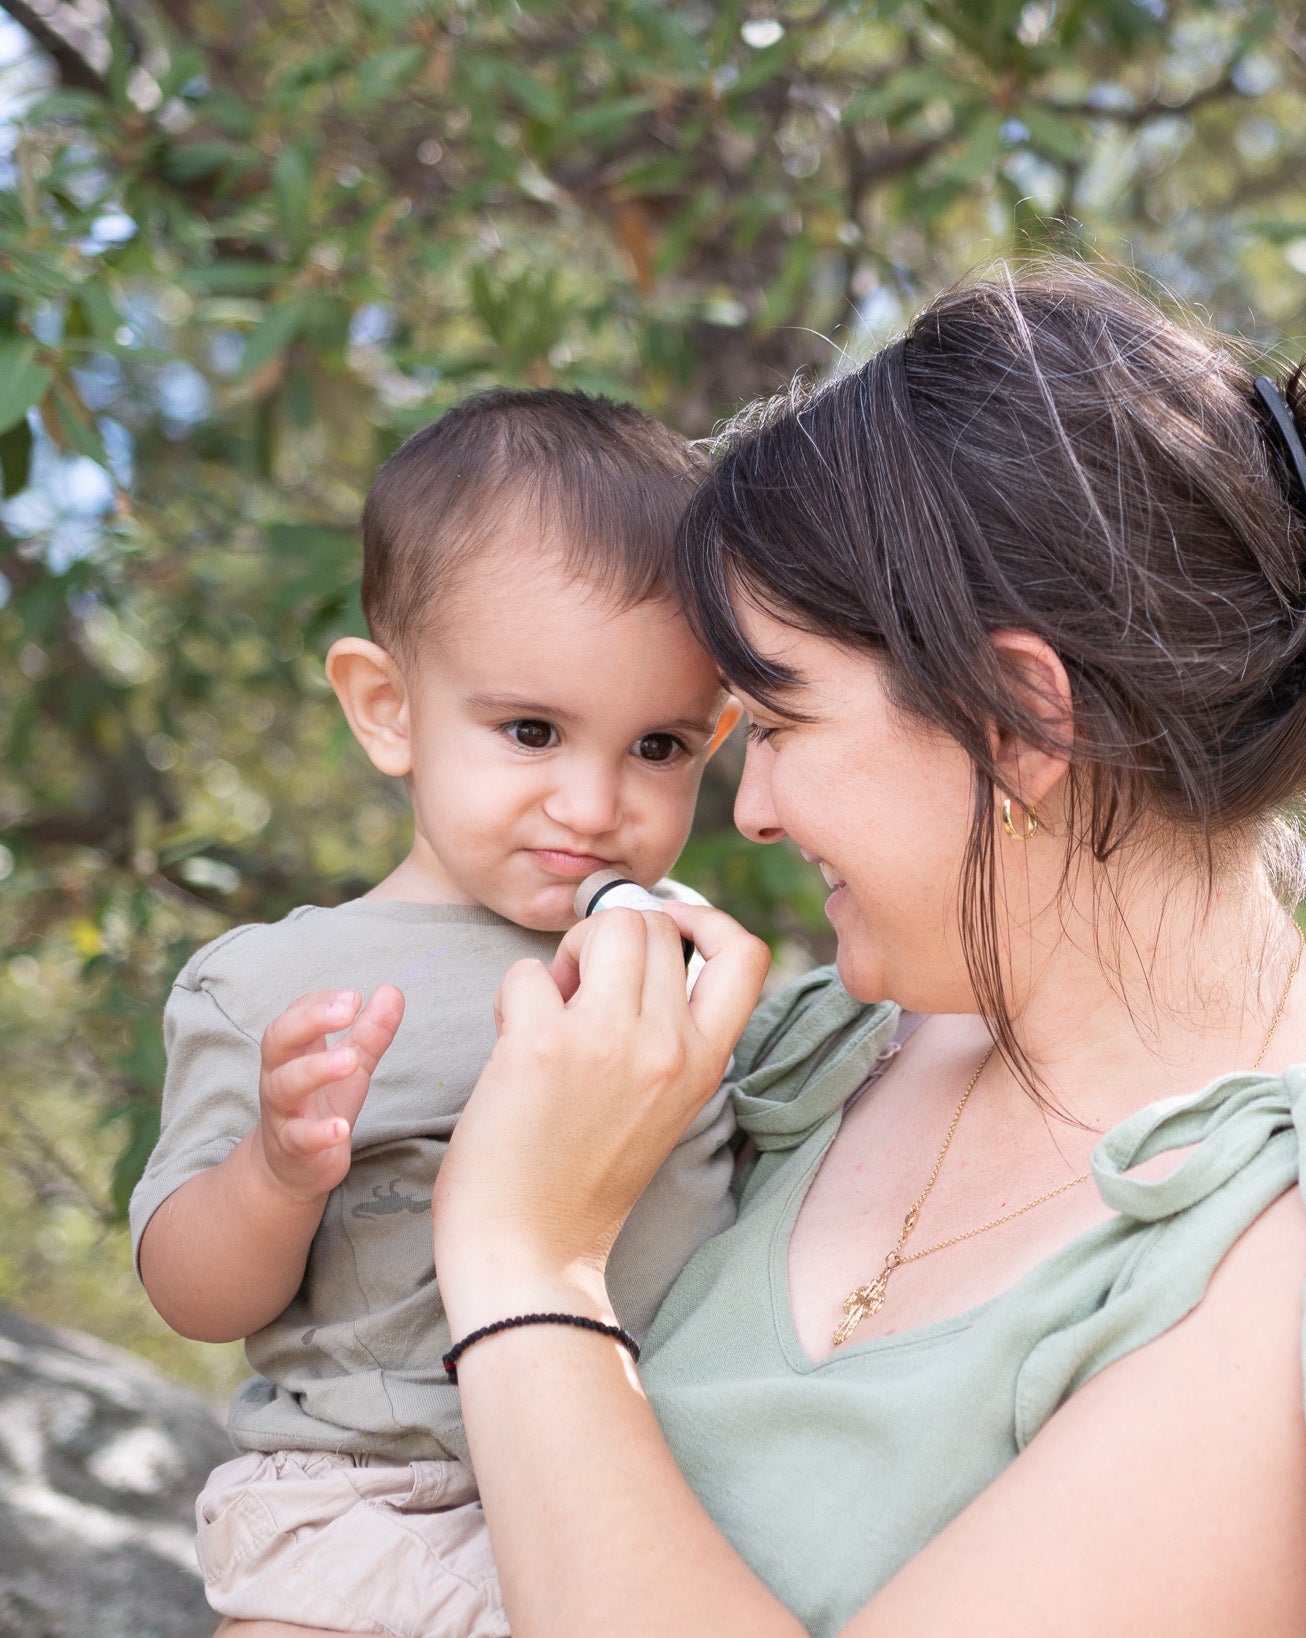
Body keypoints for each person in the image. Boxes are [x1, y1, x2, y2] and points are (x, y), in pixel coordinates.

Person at [231, 263, 1306, 1638]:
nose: (751, 808)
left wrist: (523, 1260)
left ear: (1016, 722)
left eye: (783, 726)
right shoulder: (810, 1052)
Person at [133, 389, 744, 1637]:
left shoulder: (685, 970)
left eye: (659, 747)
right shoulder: (279, 985)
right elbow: (193, 1295)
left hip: (633, 1510)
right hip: (371, 1514)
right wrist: (273, 1170)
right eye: (531, 730)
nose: (591, 800)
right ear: (388, 708)